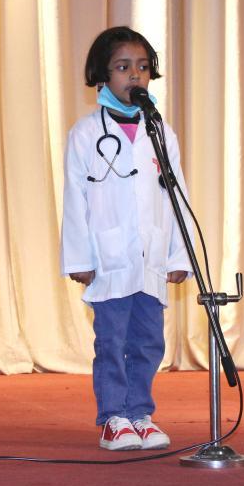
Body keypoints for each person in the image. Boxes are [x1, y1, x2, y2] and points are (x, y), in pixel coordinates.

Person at [60, 27, 191, 452]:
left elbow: (177, 196)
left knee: (149, 341)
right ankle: (114, 418)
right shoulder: (85, 133)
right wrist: (78, 258)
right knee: (112, 342)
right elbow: (75, 199)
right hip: (109, 258)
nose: (134, 75)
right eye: (123, 67)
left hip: (151, 257)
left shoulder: (160, 131)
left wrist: (179, 255)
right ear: (102, 74)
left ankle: (140, 414)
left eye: (143, 67)